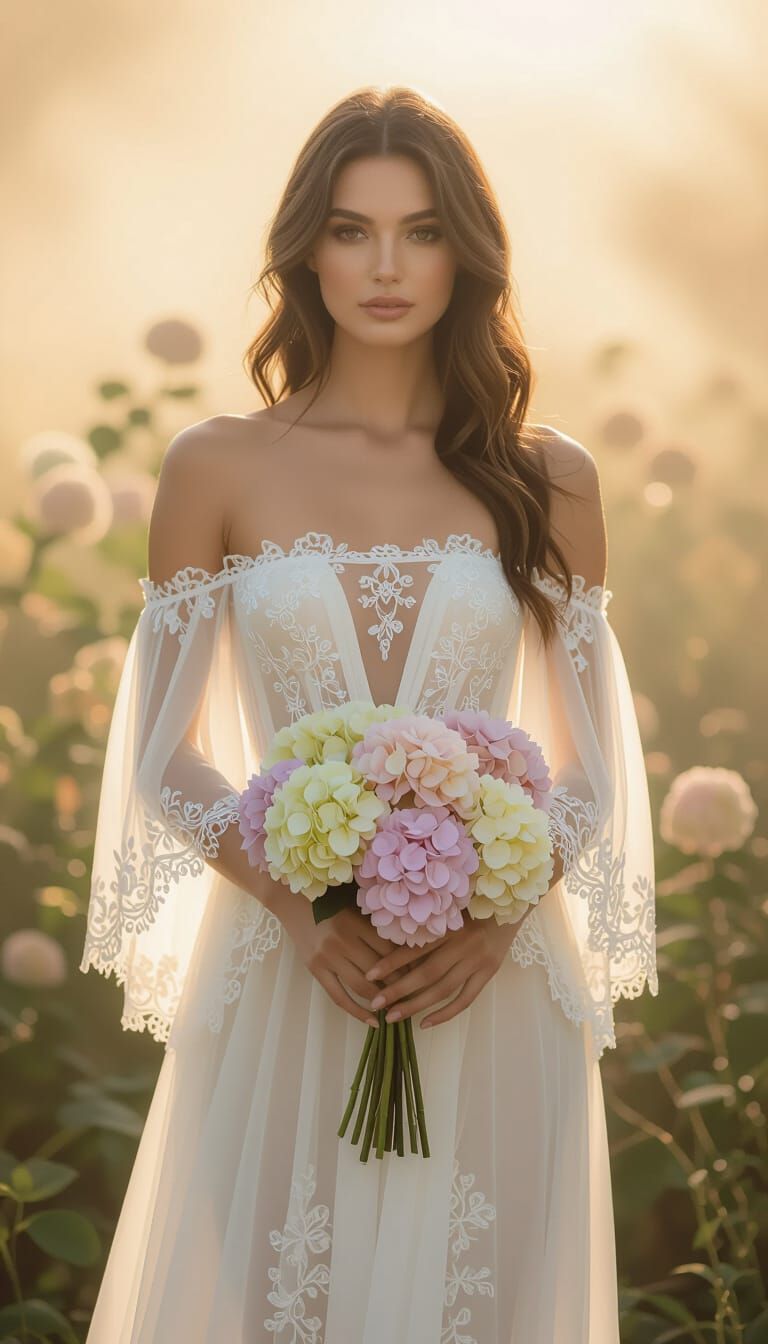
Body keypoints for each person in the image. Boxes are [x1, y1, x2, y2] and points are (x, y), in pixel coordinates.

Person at [79, 85, 657, 1343]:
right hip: (292, 978)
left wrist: (498, 926)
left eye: (421, 231)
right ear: (306, 250)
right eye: (352, 231)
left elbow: (593, 757)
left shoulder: (549, 474)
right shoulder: (216, 464)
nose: (386, 266)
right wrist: (297, 910)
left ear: (469, 252)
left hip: (490, 985)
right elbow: (164, 751)